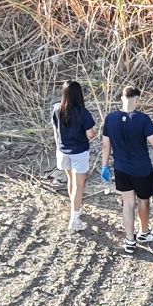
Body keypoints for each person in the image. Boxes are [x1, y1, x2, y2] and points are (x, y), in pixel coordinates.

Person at [100, 86, 153, 247]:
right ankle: (144, 233)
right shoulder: (143, 119)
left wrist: (104, 166)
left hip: (121, 168)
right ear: (137, 100)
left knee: (128, 203)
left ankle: (129, 240)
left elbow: (105, 146)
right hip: (142, 169)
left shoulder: (110, 118)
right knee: (143, 201)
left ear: (122, 99)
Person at [51, 80, 98, 233]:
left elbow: (55, 130)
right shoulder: (82, 112)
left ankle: (75, 208)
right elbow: (91, 134)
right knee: (79, 185)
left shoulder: (57, 109)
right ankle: (74, 218)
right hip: (79, 151)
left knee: (71, 180)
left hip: (63, 150)